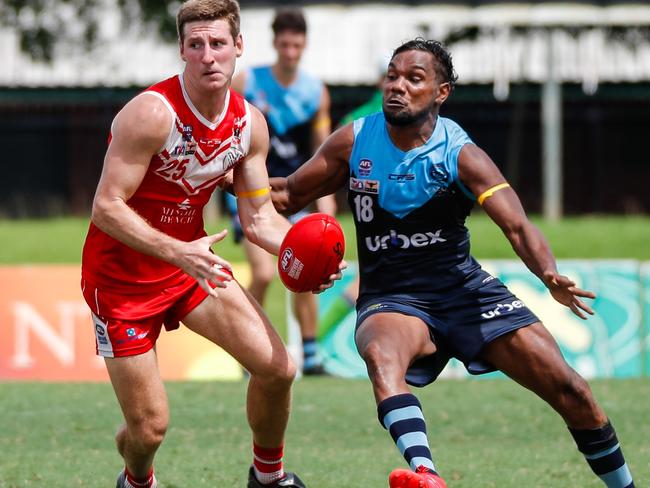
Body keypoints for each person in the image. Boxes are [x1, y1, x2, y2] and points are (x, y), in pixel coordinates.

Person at [270, 38, 635, 488]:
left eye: (413, 79)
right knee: (383, 358)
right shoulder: (354, 140)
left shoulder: (460, 155)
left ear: (441, 93)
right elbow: (287, 194)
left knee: (574, 392)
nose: (397, 86)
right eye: (392, 75)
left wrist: (548, 273)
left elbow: (518, 226)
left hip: (465, 292)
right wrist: (220, 172)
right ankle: (426, 474)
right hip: (392, 299)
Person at [80, 1, 338, 486]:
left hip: (189, 268)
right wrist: (180, 251)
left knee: (278, 368)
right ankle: (135, 479)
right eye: (195, 45)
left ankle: (268, 477)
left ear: (238, 47)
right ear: (182, 50)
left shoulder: (249, 125)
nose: (208, 56)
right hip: (121, 284)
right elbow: (106, 207)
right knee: (150, 430)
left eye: (218, 43)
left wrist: (309, 254)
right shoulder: (151, 114)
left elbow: (259, 218)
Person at [229, 7, 336, 375]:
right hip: (249, 193)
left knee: (307, 272)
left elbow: (323, 154)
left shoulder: (315, 92)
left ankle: (310, 354)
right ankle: (248, 347)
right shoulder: (247, 82)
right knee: (263, 274)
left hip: (294, 195)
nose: (290, 51)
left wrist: (328, 203)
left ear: (304, 44)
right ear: (275, 43)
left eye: (297, 44)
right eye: (284, 44)